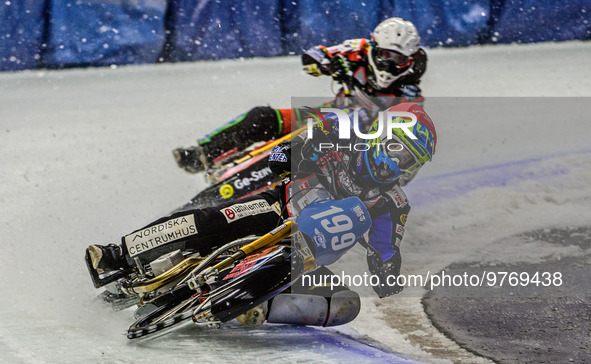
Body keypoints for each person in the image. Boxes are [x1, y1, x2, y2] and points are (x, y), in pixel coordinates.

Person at [86, 102, 437, 304]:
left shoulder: (393, 203)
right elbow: (281, 154)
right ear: (381, 134)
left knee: (344, 304)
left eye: (408, 161)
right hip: (277, 209)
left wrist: (389, 272)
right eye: (396, 149)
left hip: (309, 257)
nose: (396, 164)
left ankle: (256, 310)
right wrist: (297, 154)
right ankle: (119, 253)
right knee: (210, 221)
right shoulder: (337, 132)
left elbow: (386, 249)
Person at [174, 17, 427, 174]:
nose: (390, 65)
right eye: (385, 55)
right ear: (374, 47)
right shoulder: (357, 49)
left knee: (310, 156)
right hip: (328, 113)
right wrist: (329, 65)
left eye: (399, 59)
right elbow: (312, 57)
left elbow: (407, 140)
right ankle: (204, 154)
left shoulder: (410, 93)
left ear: (411, 59)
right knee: (262, 118)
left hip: (358, 142)